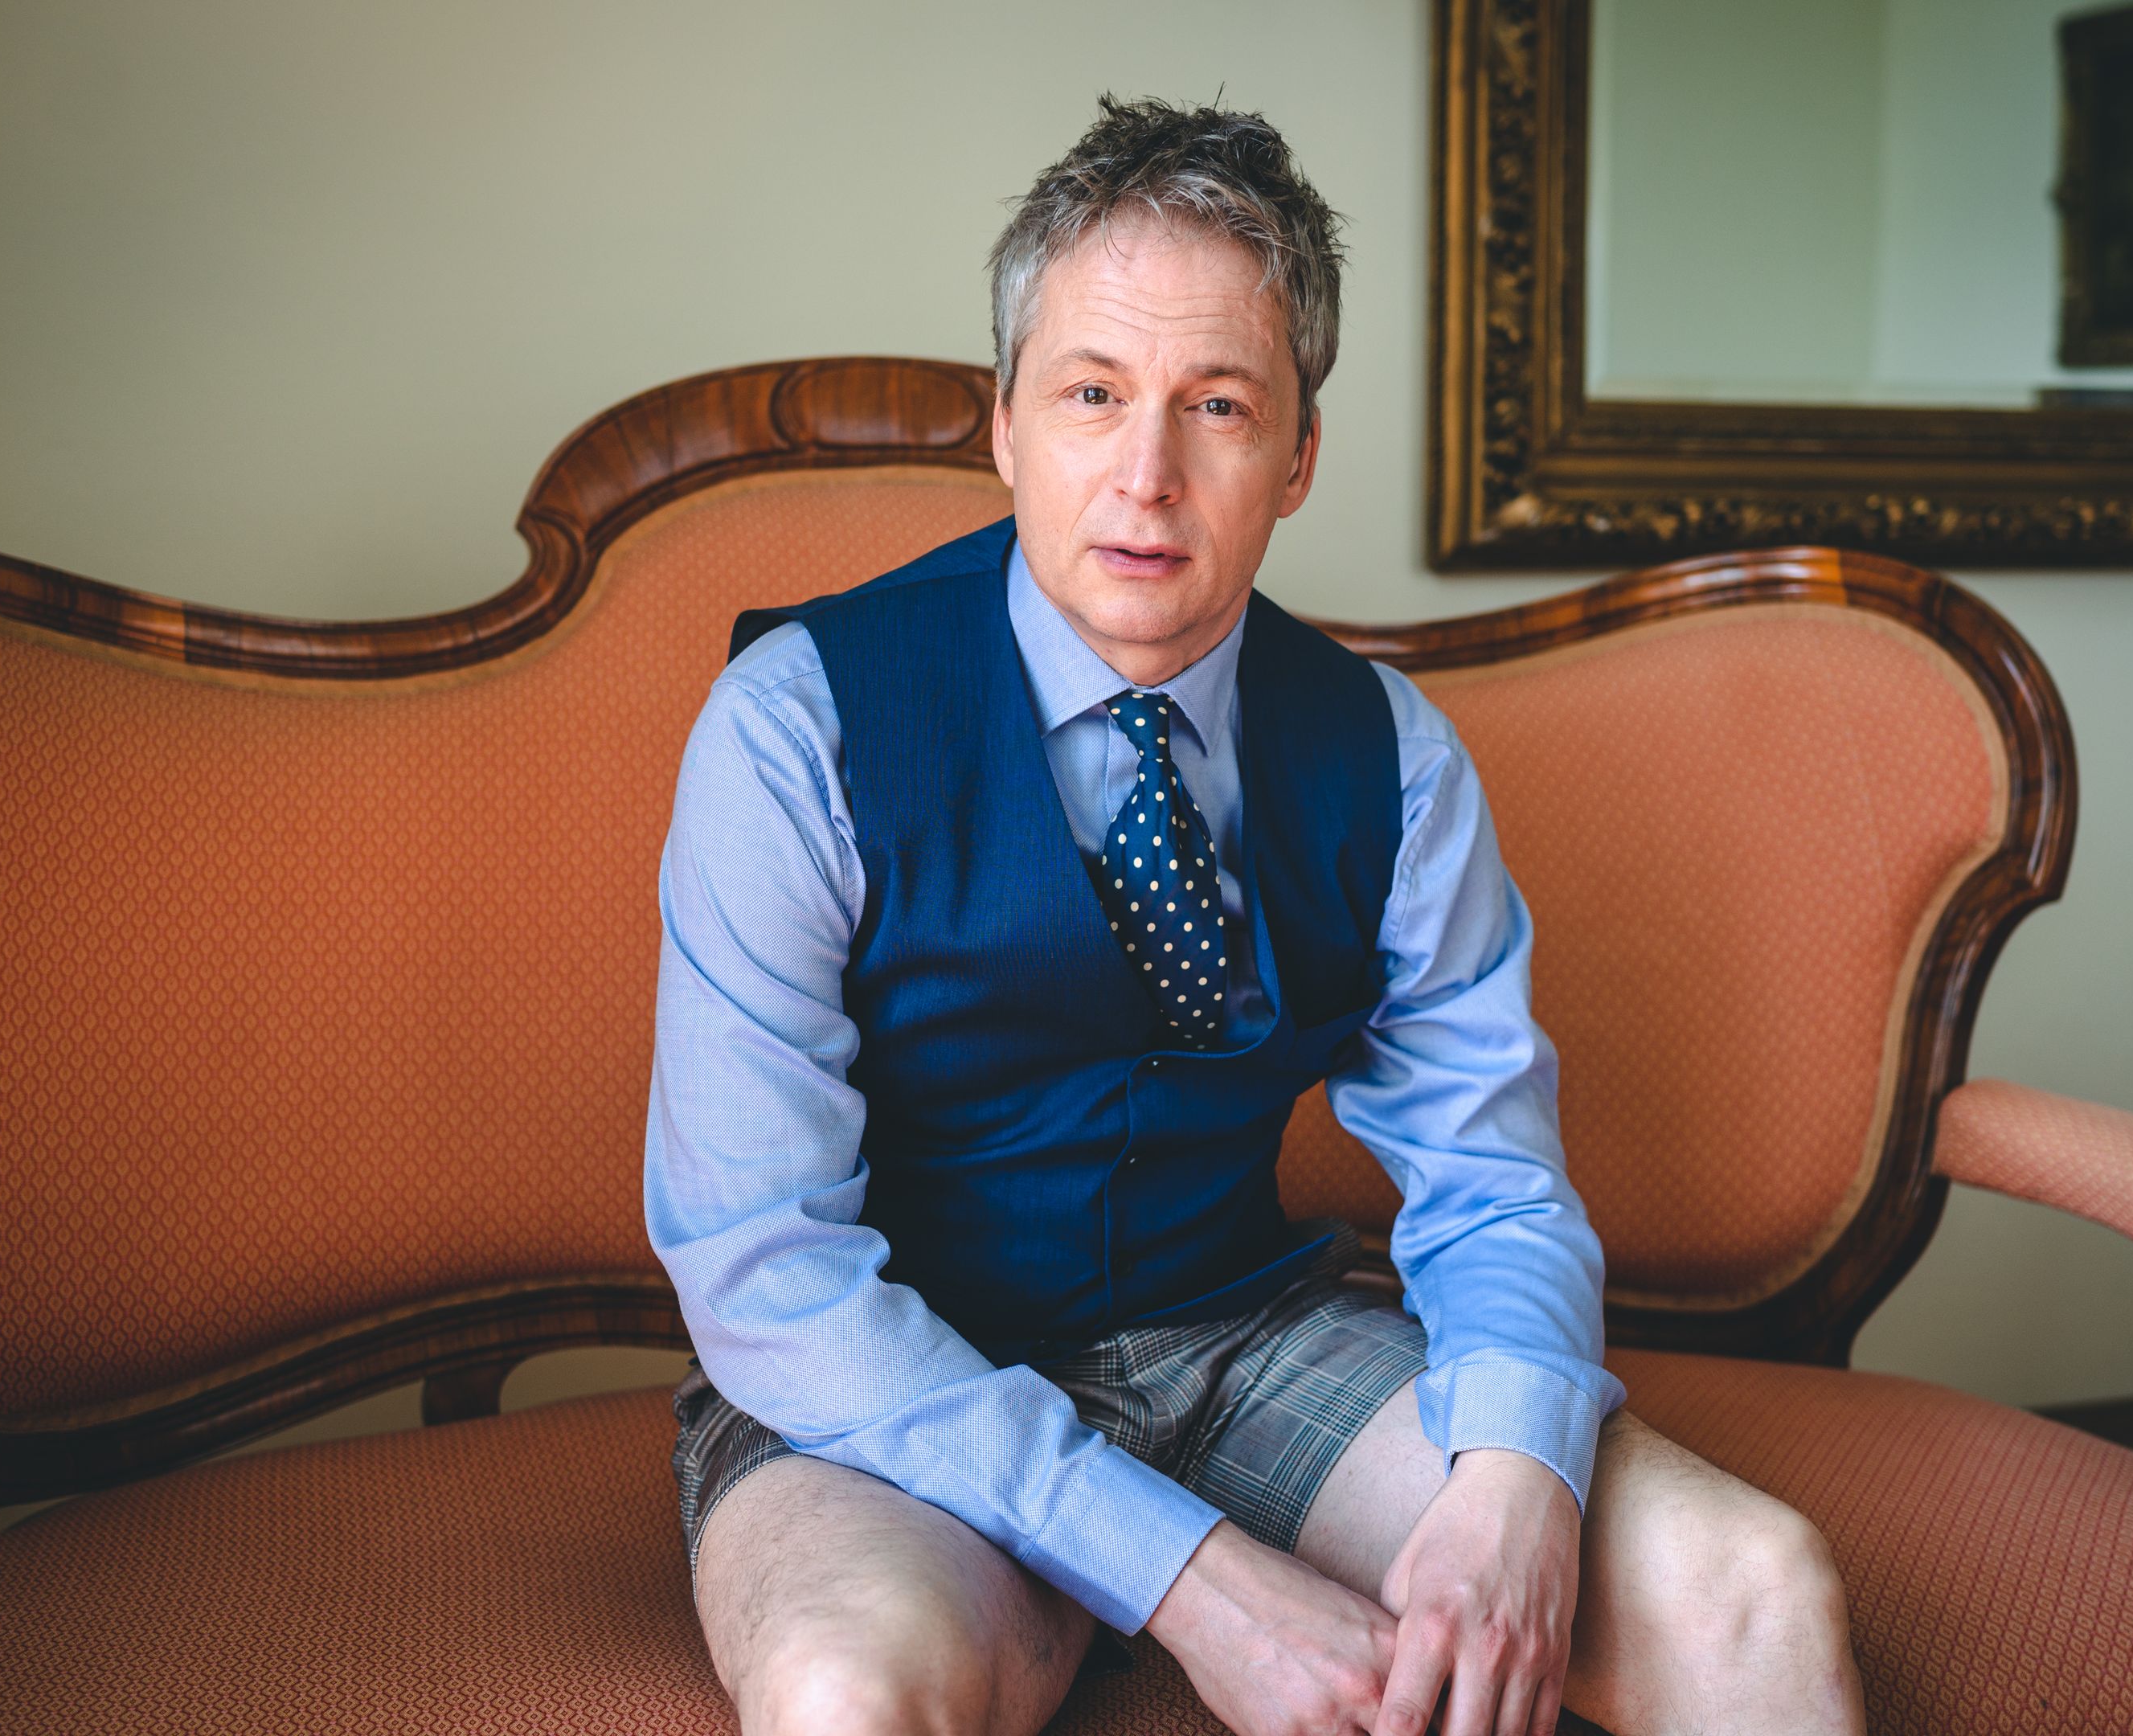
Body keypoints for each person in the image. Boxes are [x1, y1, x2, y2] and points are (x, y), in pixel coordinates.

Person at [644, 96, 1865, 1736]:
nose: (1146, 477)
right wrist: (1194, 1578)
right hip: (885, 1386)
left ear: (1295, 456)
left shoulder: (1393, 759)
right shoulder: (794, 728)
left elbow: (1493, 1182)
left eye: (1217, 406)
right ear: (1004, 426)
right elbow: (766, 1271)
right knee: (845, 1692)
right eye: (1091, 395)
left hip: (1239, 1342)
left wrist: (1518, 1480)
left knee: (1753, 1595)